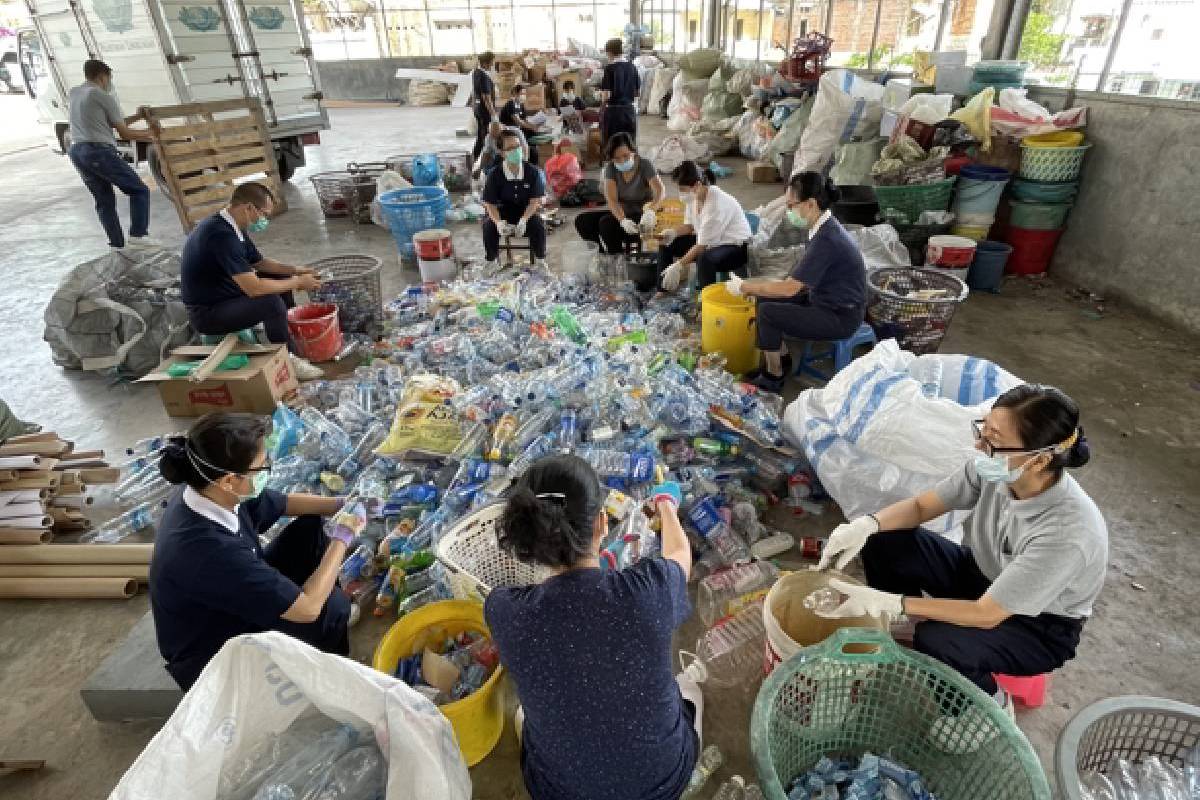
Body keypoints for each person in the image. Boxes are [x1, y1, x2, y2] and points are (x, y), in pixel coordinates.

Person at [815, 385, 1105, 720]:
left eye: (994, 439)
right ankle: (901, 624)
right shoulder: (993, 469)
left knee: (938, 642)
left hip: (1036, 624)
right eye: (984, 429)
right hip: (981, 574)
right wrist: (866, 525)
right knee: (884, 538)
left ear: (1039, 459)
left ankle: (984, 708)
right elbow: (922, 506)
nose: (980, 445)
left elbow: (987, 613)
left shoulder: (1068, 532)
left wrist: (893, 602)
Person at [484, 455, 705, 800]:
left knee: (527, 714)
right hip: (659, 785)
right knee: (690, 689)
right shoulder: (650, 592)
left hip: (559, 792)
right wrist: (666, 505)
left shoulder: (504, 611)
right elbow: (679, 554)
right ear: (602, 524)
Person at [149, 412, 354, 691]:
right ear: (230, 480)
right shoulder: (207, 552)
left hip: (227, 603)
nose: (268, 468)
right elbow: (307, 609)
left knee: (311, 529)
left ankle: (317, 645)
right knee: (329, 609)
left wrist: (342, 505)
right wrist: (344, 536)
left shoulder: (210, 490)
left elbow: (282, 503)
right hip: (217, 653)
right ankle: (328, 680)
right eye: (262, 465)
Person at [729, 171, 866, 393]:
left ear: (810, 204)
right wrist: (758, 289)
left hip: (840, 316)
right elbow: (799, 281)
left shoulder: (827, 239)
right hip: (825, 299)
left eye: (791, 205)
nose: (789, 211)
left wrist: (744, 286)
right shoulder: (823, 226)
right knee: (764, 299)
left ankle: (774, 377)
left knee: (768, 313)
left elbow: (790, 289)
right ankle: (781, 360)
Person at [180, 181, 325, 381]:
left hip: (225, 294)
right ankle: (289, 358)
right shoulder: (221, 237)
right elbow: (254, 289)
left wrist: (296, 271)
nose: (265, 220)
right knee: (271, 303)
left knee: (281, 277)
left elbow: (260, 262)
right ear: (248, 208)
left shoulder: (231, 224)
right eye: (264, 214)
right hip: (207, 313)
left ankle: (287, 331)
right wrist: (298, 283)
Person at [67, 59, 155, 250]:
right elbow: (125, 133)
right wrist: (152, 134)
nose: (109, 83)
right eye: (109, 78)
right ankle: (138, 236)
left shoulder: (75, 92)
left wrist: (138, 116)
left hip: (77, 151)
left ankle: (117, 244)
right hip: (97, 151)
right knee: (139, 190)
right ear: (102, 76)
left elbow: (108, 121)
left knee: (104, 201)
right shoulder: (101, 95)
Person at [658, 161, 751, 293]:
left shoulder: (716, 203)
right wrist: (673, 233)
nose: (681, 194)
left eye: (682, 190)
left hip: (735, 248)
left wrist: (679, 265)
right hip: (711, 243)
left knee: (704, 258)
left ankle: (706, 299)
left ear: (697, 185)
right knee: (667, 243)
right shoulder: (693, 198)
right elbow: (690, 226)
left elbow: (701, 246)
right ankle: (661, 290)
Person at [573, 133, 665, 255]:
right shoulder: (611, 169)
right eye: (616, 158)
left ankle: (617, 258)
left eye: (626, 156)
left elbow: (660, 190)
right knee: (582, 221)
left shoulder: (645, 165)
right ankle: (601, 256)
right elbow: (612, 200)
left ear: (633, 151)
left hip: (643, 216)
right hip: (624, 214)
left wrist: (651, 211)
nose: (622, 161)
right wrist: (622, 220)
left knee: (606, 223)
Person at [480, 130, 547, 271]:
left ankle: (541, 261)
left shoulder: (533, 172)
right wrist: (498, 222)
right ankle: (491, 261)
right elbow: (489, 204)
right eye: (510, 148)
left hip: (525, 212)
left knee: (538, 226)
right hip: (502, 213)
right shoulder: (495, 174)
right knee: (488, 226)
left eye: (517, 146)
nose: (516, 151)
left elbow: (535, 201)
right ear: (502, 153)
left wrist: (523, 220)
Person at [599, 38, 639, 152]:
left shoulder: (609, 69)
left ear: (610, 52)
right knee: (629, 143)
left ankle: (613, 166)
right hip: (629, 111)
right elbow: (637, 92)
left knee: (613, 145)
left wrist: (602, 104)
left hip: (613, 113)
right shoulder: (632, 67)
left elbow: (605, 95)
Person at [499, 84, 543, 165]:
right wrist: (532, 127)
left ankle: (533, 153)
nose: (524, 96)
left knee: (533, 133)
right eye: (522, 94)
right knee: (521, 134)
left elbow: (525, 120)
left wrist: (534, 126)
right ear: (516, 93)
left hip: (518, 127)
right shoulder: (511, 104)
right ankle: (525, 161)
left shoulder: (521, 105)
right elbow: (518, 121)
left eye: (525, 94)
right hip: (508, 129)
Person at [471, 51, 498, 165]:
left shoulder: (475, 73)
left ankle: (474, 160)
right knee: (486, 138)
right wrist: (493, 115)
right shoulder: (484, 77)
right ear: (486, 63)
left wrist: (474, 107)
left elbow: (474, 93)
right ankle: (480, 163)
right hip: (484, 111)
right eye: (492, 62)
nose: (492, 64)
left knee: (480, 136)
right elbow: (486, 98)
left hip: (478, 109)